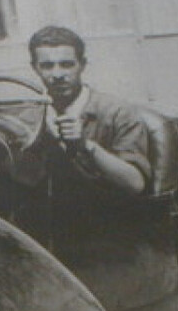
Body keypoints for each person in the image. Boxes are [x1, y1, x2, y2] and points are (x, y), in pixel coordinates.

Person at [23, 25, 151, 198]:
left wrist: (85, 145)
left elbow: (135, 184)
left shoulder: (117, 112)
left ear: (82, 65)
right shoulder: (30, 117)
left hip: (107, 209)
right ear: (35, 68)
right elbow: (21, 180)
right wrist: (39, 140)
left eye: (67, 65)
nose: (58, 74)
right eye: (47, 66)